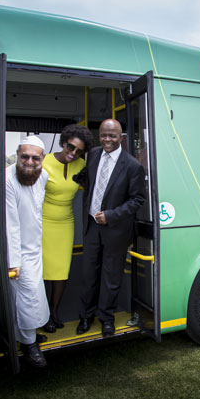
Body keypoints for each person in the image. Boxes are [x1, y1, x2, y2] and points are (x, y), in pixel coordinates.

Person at [77, 119, 146, 337]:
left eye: (112, 136)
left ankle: (106, 318)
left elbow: (137, 200)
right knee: (89, 275)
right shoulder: (93, 155)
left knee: (111, 277)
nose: (107, 140)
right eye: (104, 135)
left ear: (121, 137)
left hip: (115, 229)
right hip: (91, 227)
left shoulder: (133, 165)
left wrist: (111, 215)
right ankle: (86, 317)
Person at [42, 124, 93, 333]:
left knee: (61, 271)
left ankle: (54, 311)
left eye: (79, 151)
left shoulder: (82, 165)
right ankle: (42, 315)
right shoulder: (43, 161)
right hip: (42, 222)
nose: (73, 153)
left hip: (65, 222)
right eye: (70, 147)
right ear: (64, 142)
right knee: (41, 271)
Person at [6, 135, 50, 367]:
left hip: (35, 249)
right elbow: (11, 223)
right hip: (18, 254)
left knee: (33, 297)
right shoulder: (7, 178)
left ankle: (27, 335)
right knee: (26, 298)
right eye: (25, 156)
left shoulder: (43, 175)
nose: (30, 162)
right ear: (17, 155)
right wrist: (14, 262)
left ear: (42, 159)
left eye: (35, 158)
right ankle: (29, 345)